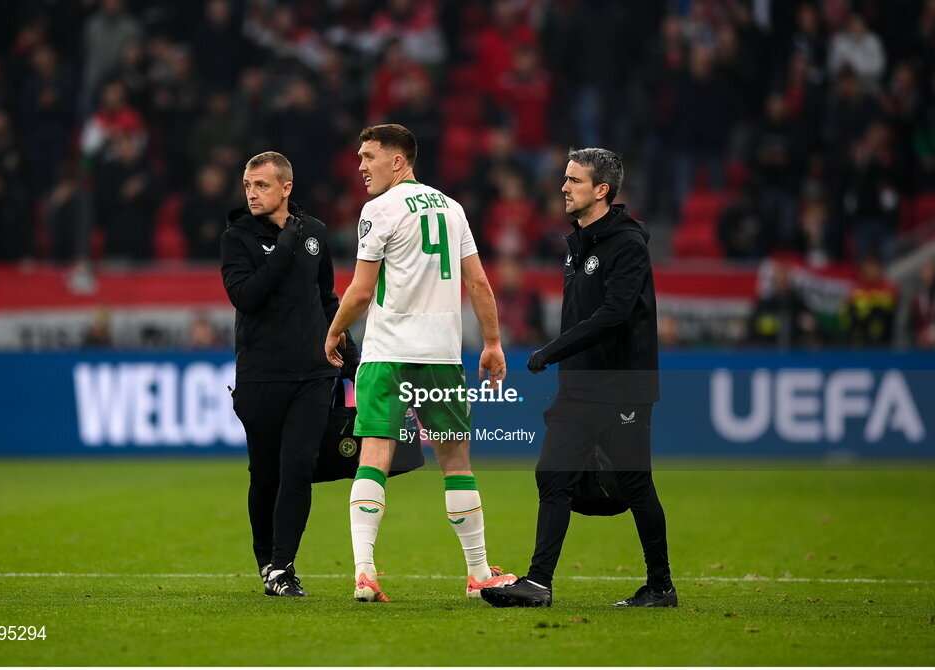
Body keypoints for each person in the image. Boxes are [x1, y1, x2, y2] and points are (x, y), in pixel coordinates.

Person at [323, 124, 517, 602]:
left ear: (399, 160)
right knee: (455, 460)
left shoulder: (379, 210)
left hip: (387, 353)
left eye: (369, 156)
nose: (361, 166)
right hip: (441, 355)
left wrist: (332, 330)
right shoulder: (452, 209)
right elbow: (479, 284)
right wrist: (492, 342)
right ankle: (477, 573)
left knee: (374, 454)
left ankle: (365, 572)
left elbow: (362, 291)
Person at [481, 148, 675, 608]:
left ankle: (661, 586)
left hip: (623, 387)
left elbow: (613, 315)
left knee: (634, 483)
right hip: (579, 387)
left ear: (601, 190)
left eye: (574, 181)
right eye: (565, 179)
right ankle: (538, 583)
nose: (563, 188)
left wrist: (551, 351)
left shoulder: (627, 244)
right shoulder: (579, 244)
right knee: (553, 475)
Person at [221, 151, 358, 597]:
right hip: (261, 374)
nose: (251, 193)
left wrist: (346, 344)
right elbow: (246, 296)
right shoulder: (237, 237)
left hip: (313, 373)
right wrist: (283, 249)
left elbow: (325, 296)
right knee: (265, 474)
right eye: (247, 185)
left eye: (260, 185)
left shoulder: (315, 233)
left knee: (298, 466)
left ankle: (282, 567)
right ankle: (266, 560)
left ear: (286, 188)